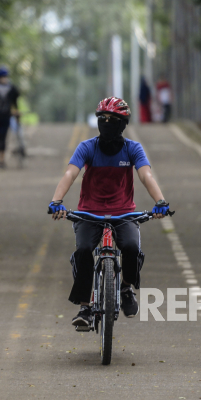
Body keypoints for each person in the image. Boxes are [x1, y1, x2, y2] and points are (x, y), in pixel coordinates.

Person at [48, 97, 171, 330]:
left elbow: (146, 176)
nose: (106, 123)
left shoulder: (132, 148)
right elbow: (70, 174)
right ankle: (85, 307)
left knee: (132, 248)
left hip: (123, 213)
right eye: (102, 119)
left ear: (123, 123)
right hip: (88, 213)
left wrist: (160, 202)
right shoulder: (87, 147)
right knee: (84, 250)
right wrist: (57, 201)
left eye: (112, 119)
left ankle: (125, 287)